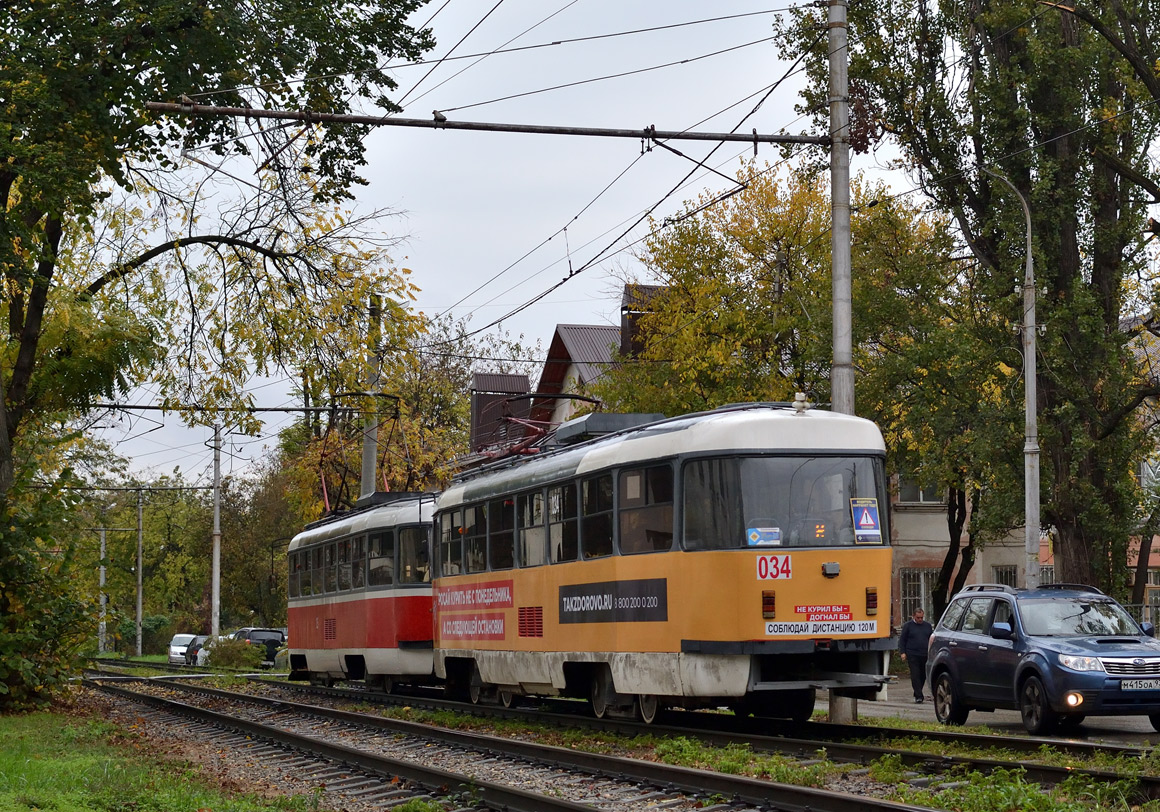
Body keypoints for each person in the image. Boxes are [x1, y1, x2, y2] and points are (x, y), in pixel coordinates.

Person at [898, 608, 934, 703]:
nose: (920, 619)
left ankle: (918, 691)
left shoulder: (927, 626)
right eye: (918, 618)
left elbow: (931, 639)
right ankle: (919, 696)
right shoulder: (908, 626)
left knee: (923, 675)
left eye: (921, 617)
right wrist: (903, 652)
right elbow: (902, 640)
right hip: (912, 654)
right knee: (915, 675)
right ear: (913, 616)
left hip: (924, 654)